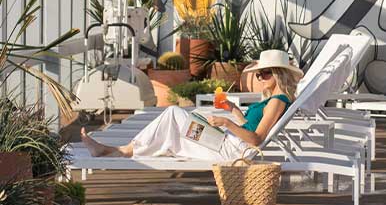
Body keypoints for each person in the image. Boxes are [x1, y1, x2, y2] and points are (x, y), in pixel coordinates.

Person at [80, 49, 302, 162]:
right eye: (259, 73)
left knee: (174, 114)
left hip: (229, 150)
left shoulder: (276, 102)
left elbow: (256, 139)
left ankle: (119, 150)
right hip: (227, 142)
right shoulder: (274, 100)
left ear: (279, 74)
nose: (260, 78)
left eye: (264, 73)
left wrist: (226, 122)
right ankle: (121, 150)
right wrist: (234, 112)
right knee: (186, 118)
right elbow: (251, 127)